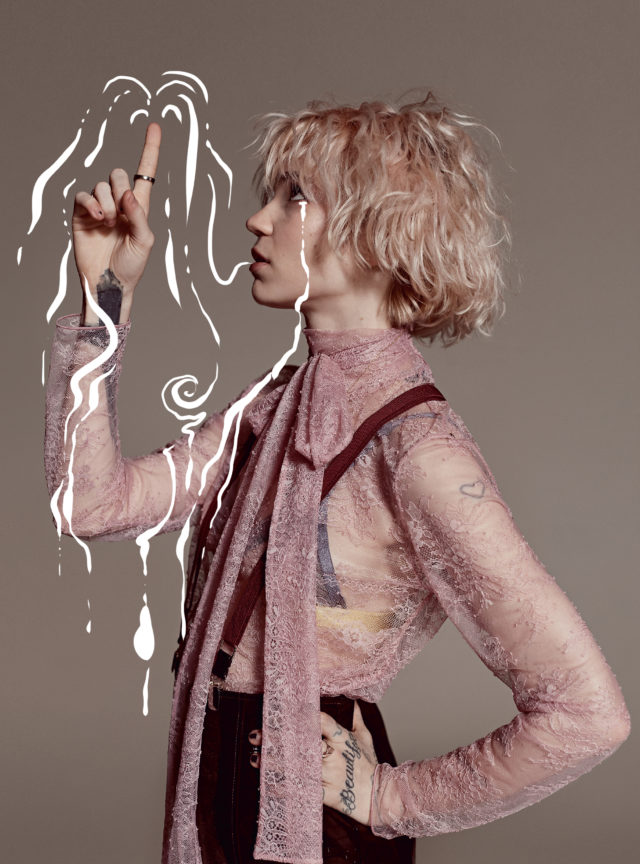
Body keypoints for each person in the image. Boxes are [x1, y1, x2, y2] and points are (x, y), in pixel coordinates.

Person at [44, 94, 631, 864]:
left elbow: (587, 712)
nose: (258, 220)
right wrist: (105, 300)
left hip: (319, 819)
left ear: (377, 227)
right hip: (212, 788)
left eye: (295, 197)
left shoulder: (421, 450)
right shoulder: (271, 410)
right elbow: (91, 504)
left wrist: (389, 798)